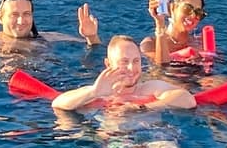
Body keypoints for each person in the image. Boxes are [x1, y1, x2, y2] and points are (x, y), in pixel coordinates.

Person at [53, 36, 198, 112]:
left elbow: (188, 100)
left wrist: (141, 107)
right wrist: (94, 92)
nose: (131, 67)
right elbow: (58, 103)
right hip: (118, 139)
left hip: (154, 133)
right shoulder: (99, 92)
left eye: (136, 61)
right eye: (124, 61)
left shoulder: (150, 88)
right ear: (108, 64)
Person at [141, 0, 215, 70]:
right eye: (187, 9)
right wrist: (160, 22)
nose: (192, 16)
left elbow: (215, 67)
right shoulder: (150, 45)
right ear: (172, 8)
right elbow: (161, 69)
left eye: (198, 13)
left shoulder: (200, 43)